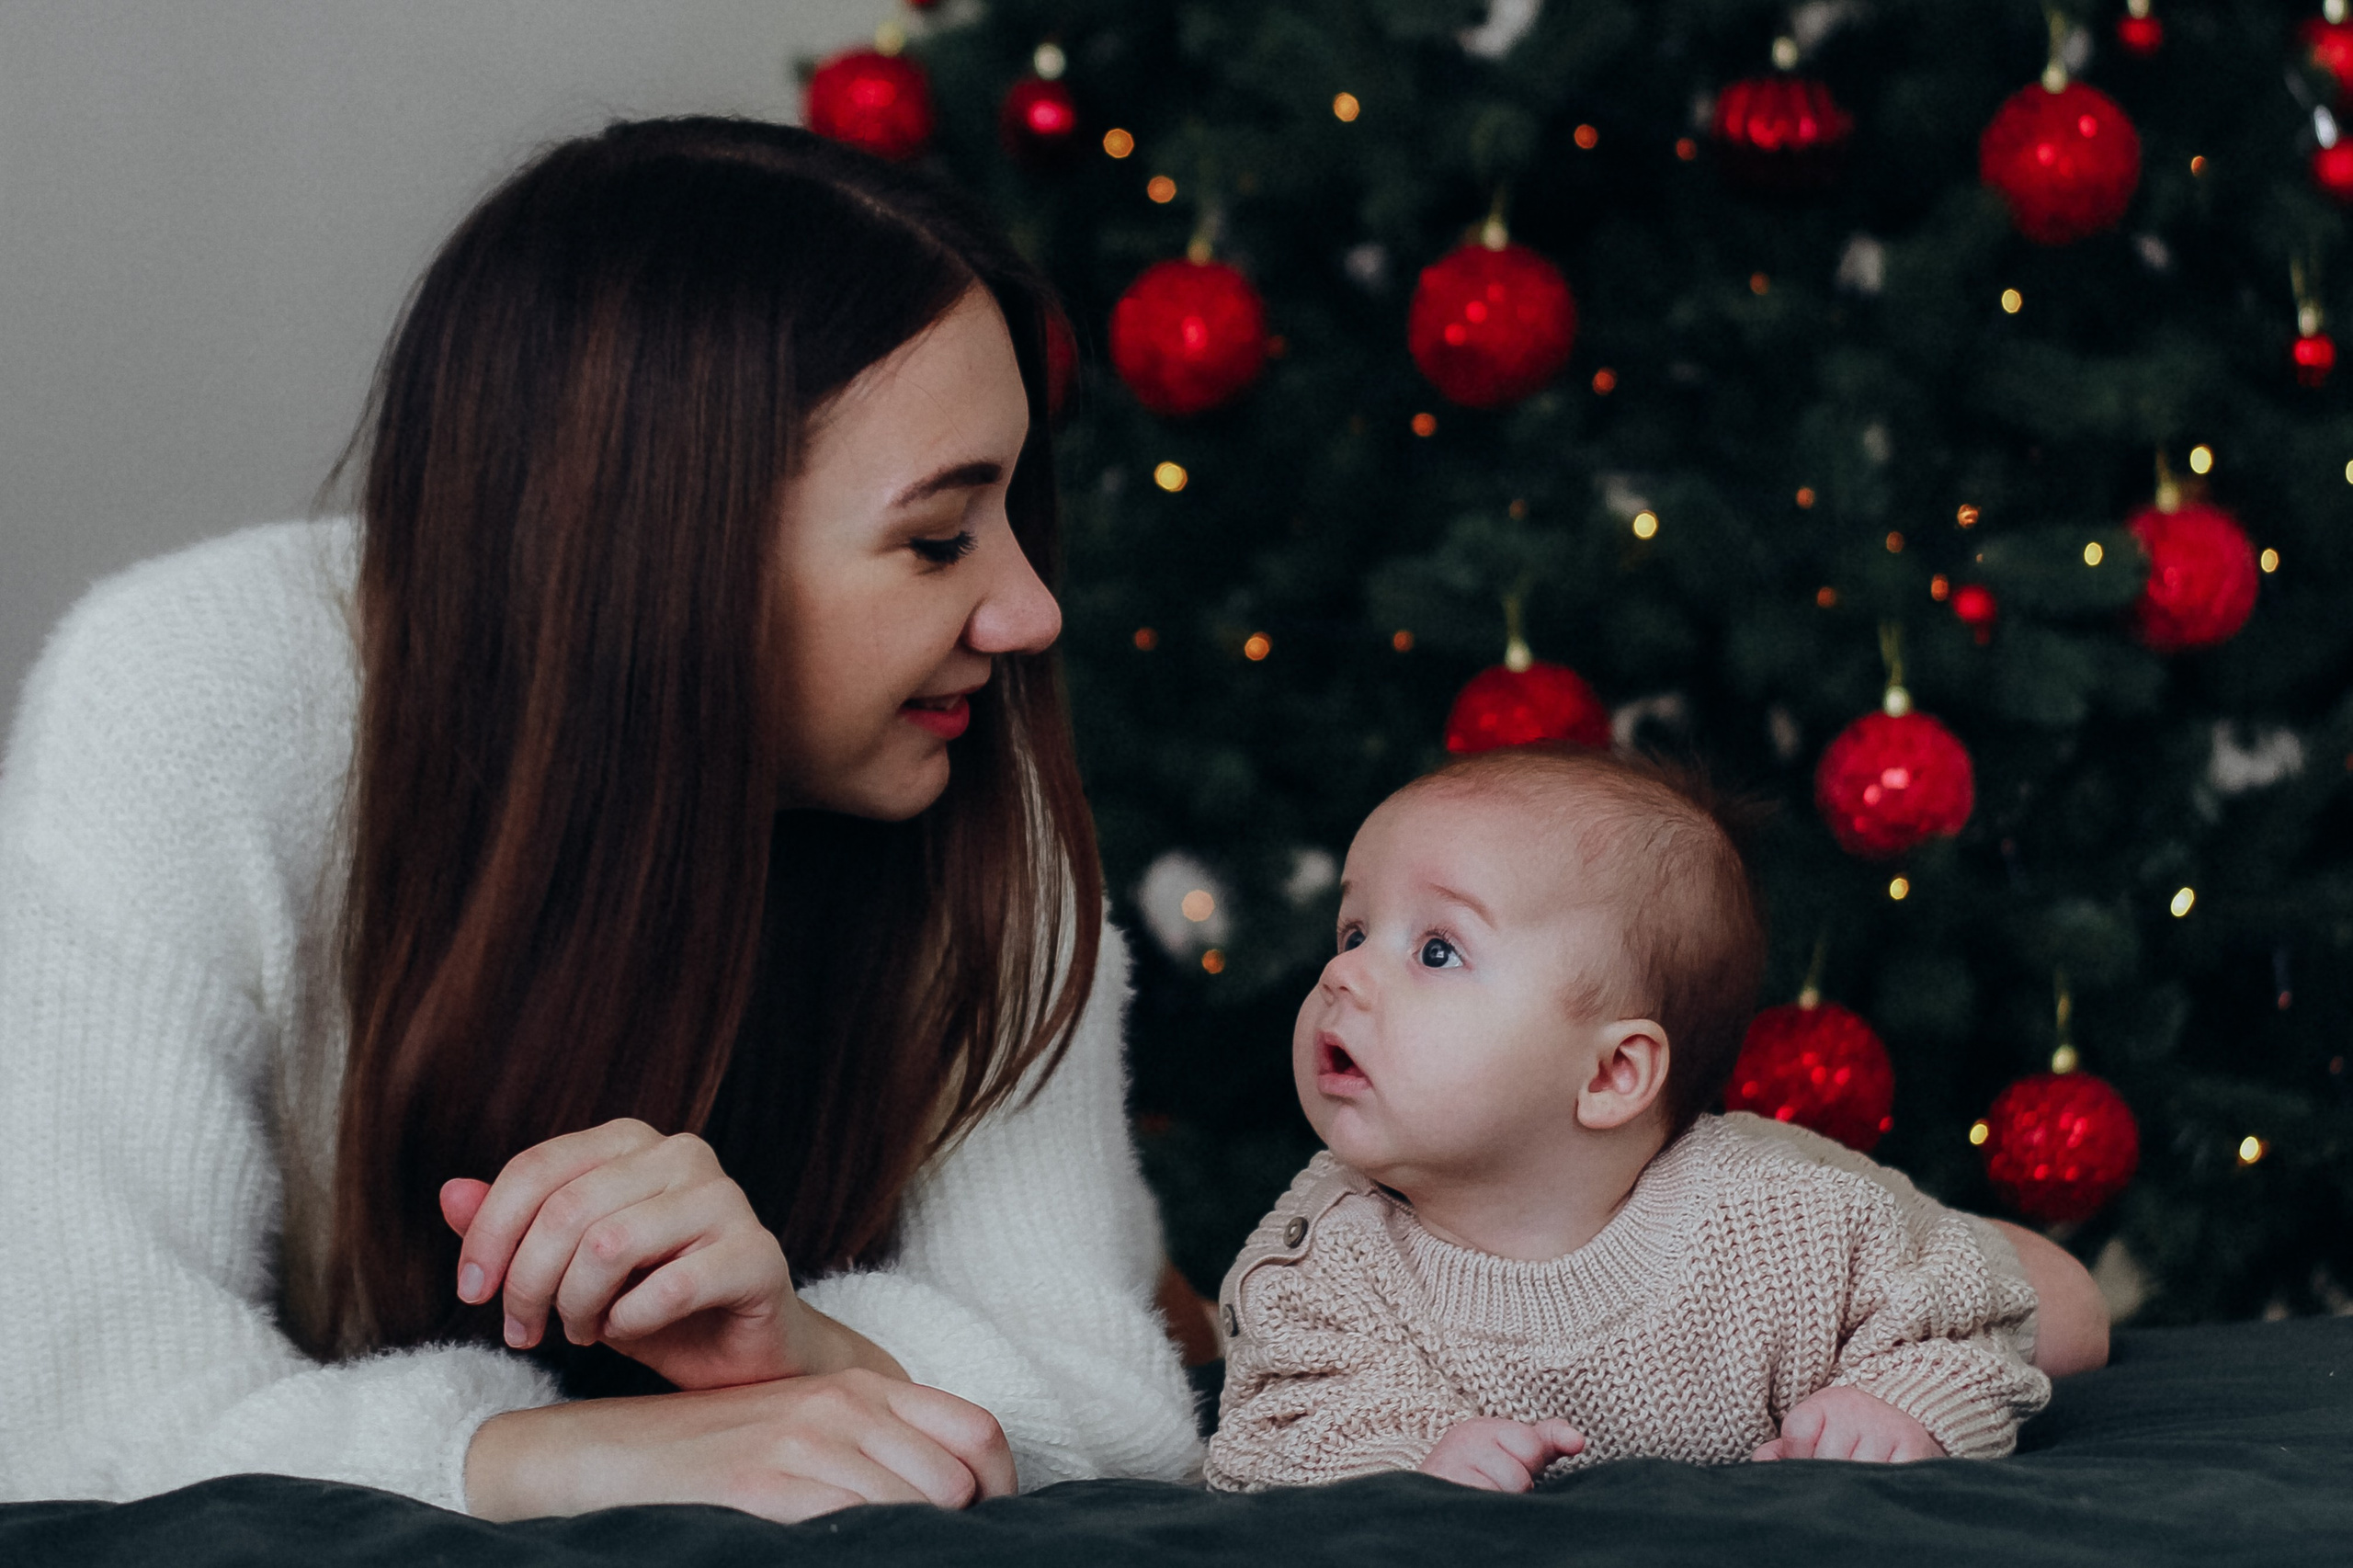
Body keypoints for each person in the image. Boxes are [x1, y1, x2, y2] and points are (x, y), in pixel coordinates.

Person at [0, 118, 1202, 1520]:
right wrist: (557, 1453)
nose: (1029, 612)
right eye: (938, 538)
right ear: (668, 546)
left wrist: (806, 1351)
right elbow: (72, 1418)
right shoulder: (186, 696)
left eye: (1014, 519)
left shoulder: (961, 764)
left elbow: (1116, 1406)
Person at [1206, 745, 2108, 1494]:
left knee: (2064, 1316)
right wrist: (1411, 1456)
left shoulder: (1789, 1216)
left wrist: (1895, 1408)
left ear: (1611, 1073)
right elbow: (1279, 1431)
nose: (1342, 975)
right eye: (1354, 932)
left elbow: (1957, 1327)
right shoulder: (1319, 1261)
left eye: (1437, 949)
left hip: (1878, 1232)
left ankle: (1994, 1241)